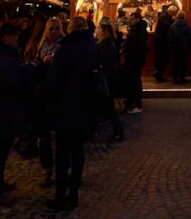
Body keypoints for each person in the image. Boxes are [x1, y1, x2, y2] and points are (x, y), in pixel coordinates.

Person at [46, 16, 99, 211]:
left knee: (62, 152)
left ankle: (61, 193)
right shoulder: (93, 47)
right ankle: (74, 192)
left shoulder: (64, 50)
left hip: (66, 105)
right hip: (85, 106)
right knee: (78, 150)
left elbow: (54, 81)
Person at [0, 24, 32, 207]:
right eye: (15, 36)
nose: (17, 39)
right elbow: (12, 83)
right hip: (2, 111)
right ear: (6, 38)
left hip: (1, 110)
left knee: (1, 151)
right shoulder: (2, 59)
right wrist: (27, 71)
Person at [31, 17, 64, 186]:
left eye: (57, 28)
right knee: (43, 136)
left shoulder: (64, 46)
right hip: (43, 93)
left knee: (59, 135)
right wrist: (42, 63)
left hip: (57, 94)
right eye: (51, 28)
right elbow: (36, 66)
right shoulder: (41, 45)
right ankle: (47, 169)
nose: (54, 32)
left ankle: (62, 169)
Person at [96, 18, 125, 142]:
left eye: (98, 29)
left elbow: (104, 62)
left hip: (107, 79)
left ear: (103, 30)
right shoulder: (109, 42)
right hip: (110, 77)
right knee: (107, 106)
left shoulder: (105, 44)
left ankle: (119, 132)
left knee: (109, 106)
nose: (96, 31)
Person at [122, 10, 148, 114]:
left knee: (135, 81)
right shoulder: (137, 29)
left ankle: (137, 103)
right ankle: (132, 100)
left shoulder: (139, 30)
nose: (130, 21)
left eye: (132, 19)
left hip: (134, 60)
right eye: (129, 19)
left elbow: (137, 45)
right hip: (135, 59)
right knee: (133, 81)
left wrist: (127, 44)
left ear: (138, 19)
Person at [153, 5, 174, 83]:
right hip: (161, 42)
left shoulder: (164, 17)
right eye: (173, 13)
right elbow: (168, 25)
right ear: (171, 12)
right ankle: (158, 74)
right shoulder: (164, 17)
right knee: (162, 59)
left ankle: (158, 74)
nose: (174, 15)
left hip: (161, 41)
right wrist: (173, 21)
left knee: (161, 59)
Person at [170, 10, 191, 85]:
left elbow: (171, 37)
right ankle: (182, 79)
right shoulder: (187, 25)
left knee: (175, 63)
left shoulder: (173, 25)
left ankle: (175, 79)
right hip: (184, 47)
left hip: (175, 47)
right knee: (183, 64)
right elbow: (189, 36)